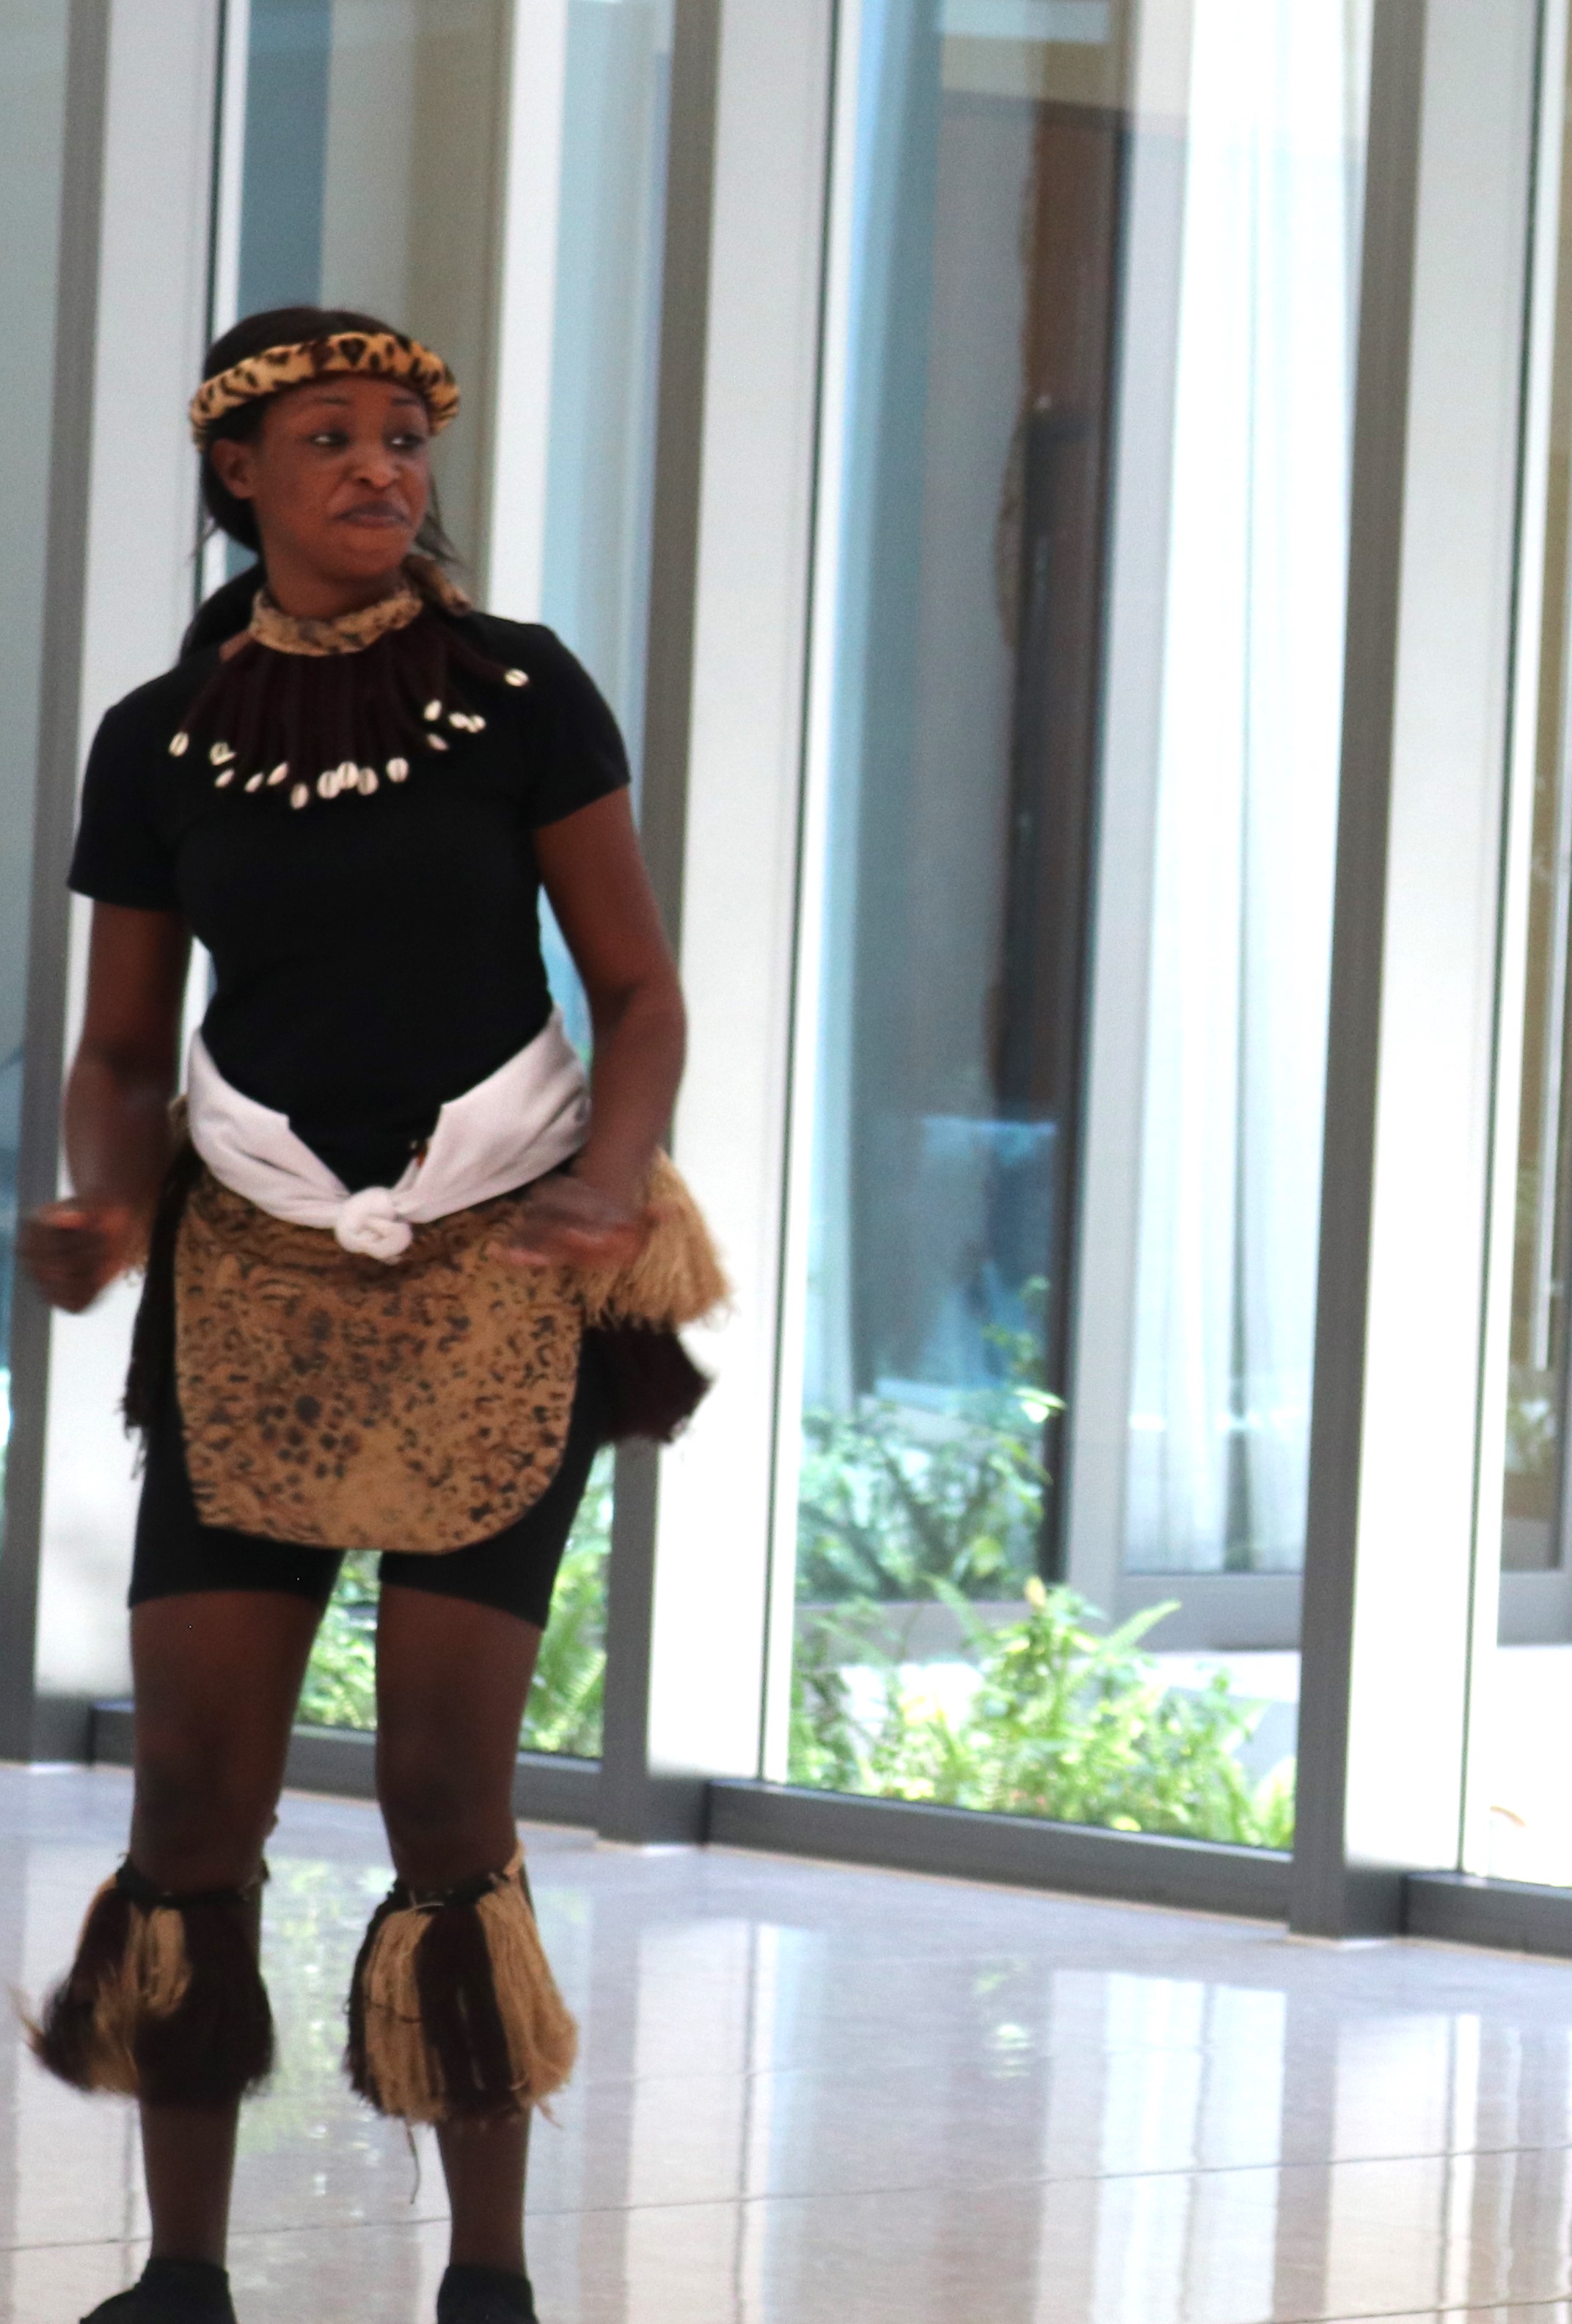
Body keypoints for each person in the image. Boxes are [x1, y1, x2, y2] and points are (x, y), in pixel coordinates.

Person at [15, 310, 721, 2324]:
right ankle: (180, 2273)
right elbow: (126, 1044)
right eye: (329, 438)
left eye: (403, 438)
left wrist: (610, 1182)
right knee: (189, 1795)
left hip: (505, 1276)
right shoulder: (161, 737)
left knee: (443, 1792)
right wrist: (95, 1198)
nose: (379, 469)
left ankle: (484, 2274)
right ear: (237, 475)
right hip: (250, 1282)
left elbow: (638, 992)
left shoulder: (517, 694)